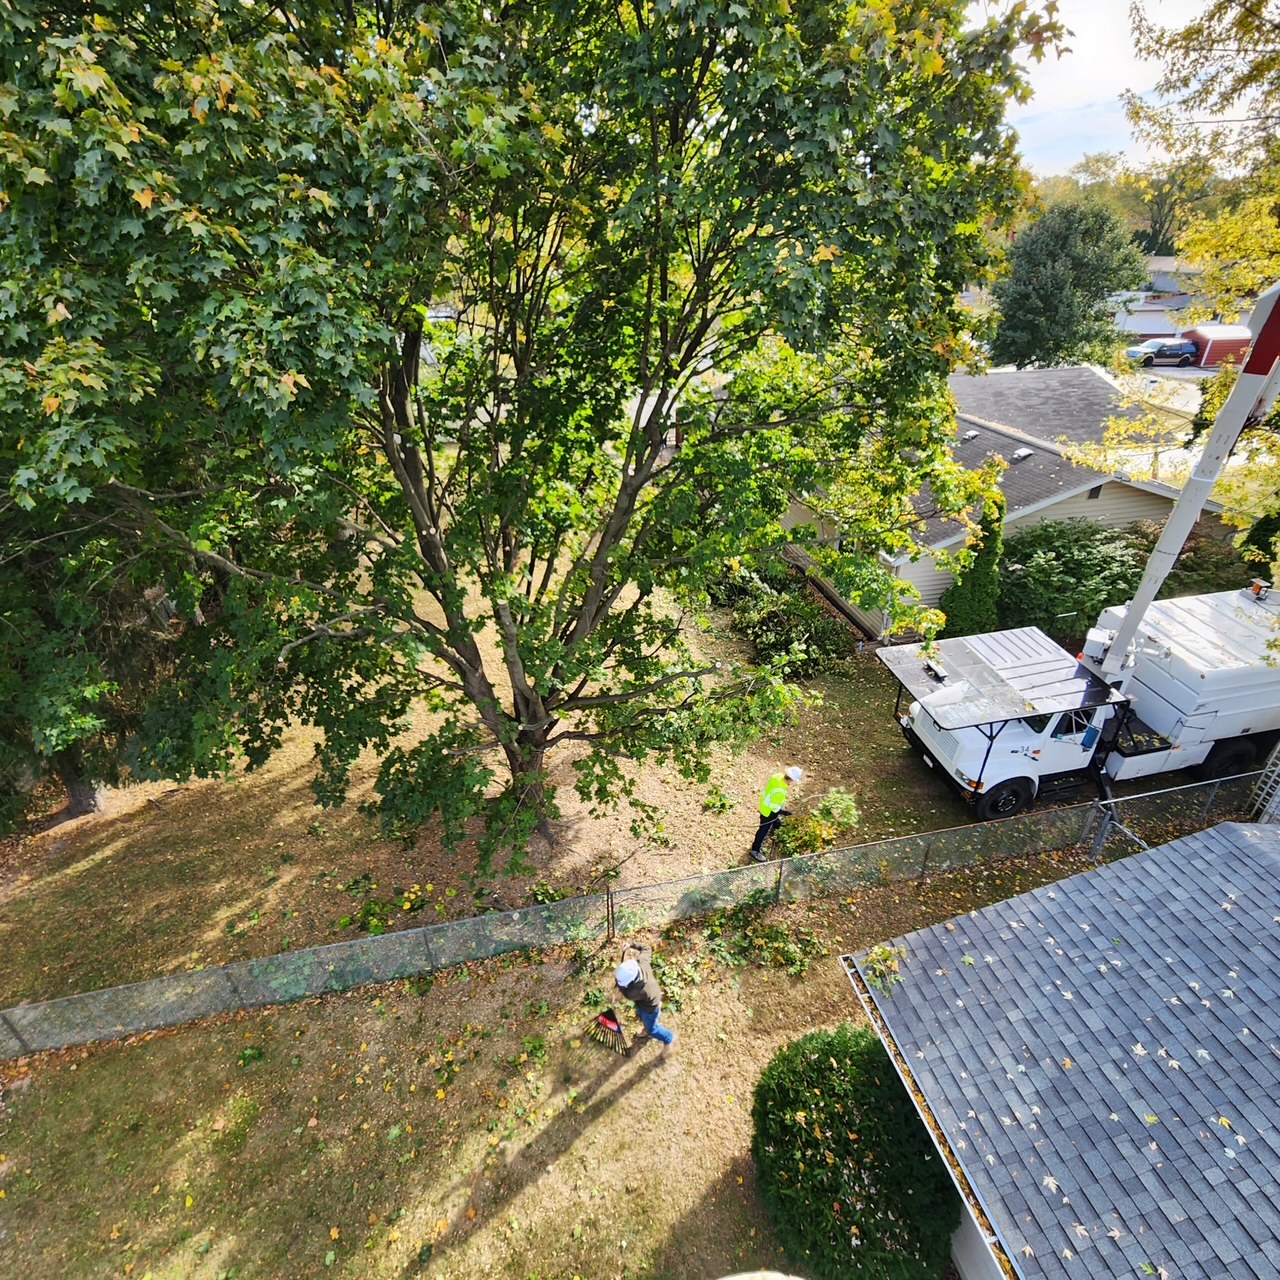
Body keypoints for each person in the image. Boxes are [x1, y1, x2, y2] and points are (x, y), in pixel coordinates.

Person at [615, 941, 675, 1048]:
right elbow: (646, 947)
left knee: (652, 1029)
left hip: (649, 1007)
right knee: (643, 1016)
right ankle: (648, 1026)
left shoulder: (634, 992)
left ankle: (668, 1038)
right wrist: (631, 945)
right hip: (653, 994)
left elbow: (622, 990)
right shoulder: (642, 962)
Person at [749, 765, 803, 862]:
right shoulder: (780, 790)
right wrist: (785, 812)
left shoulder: (777, 776)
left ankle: (777, 824)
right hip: (768, 811)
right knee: (763, 830)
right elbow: (775, 809)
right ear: (791, 779)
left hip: (764, 803)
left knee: (775, 818)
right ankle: (755, 850)